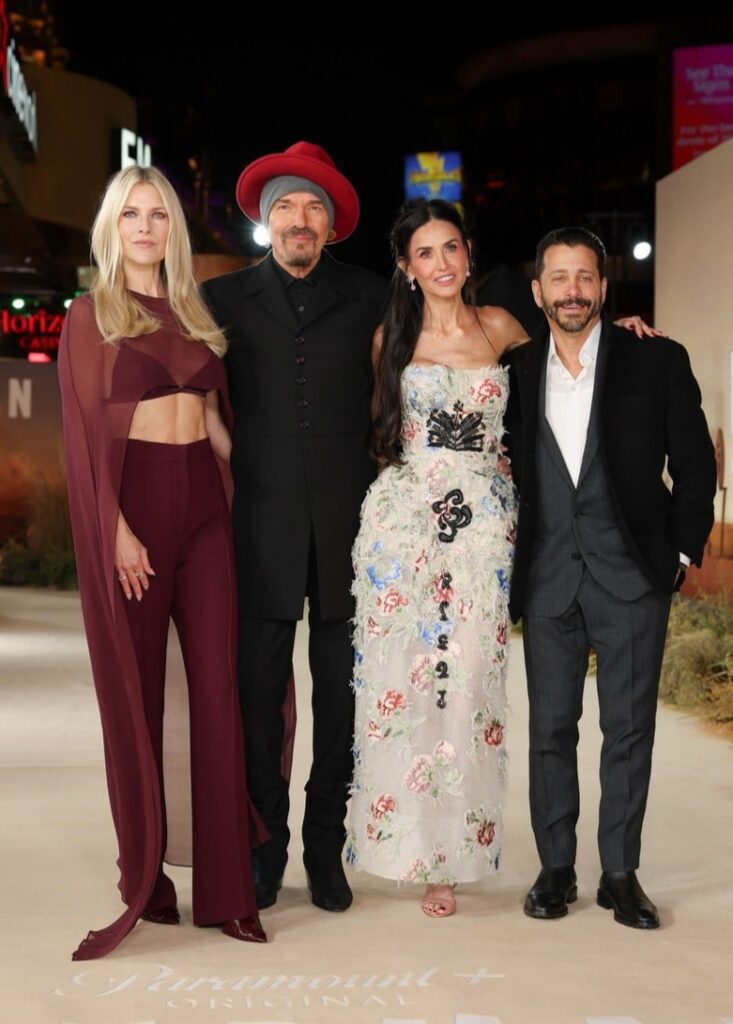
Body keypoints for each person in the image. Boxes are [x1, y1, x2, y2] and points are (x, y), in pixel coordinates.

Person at [58, 165, 267, 960]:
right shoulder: (92, 315)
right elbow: (85, 439)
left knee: (217, 694)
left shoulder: (194, 310)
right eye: (132, 215)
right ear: (112, 227)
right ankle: (146, 881)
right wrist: (114, 530)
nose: (146, 227)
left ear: (173, 229)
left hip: (204, 509)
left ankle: (229, 894)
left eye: (159, 215)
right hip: (134, 511)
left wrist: (265, 491)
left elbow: (212, 423)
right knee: (137, 697)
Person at [503, 226, 716, 929]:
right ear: (537, 291)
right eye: (558, 278)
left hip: (631, 577)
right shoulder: (514, 369)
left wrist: (679, 555)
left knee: (628, 730)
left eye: (584, 277)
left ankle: (620, 873)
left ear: (602, 286)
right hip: (547, 578)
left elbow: (696, 466)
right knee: (549, 729)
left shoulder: (654, 359)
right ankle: (555, 868)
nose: (572, 290)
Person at [201, 142, 386, 913]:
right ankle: (263, 848)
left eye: (313, 206)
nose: (298, 218)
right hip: (258, 524)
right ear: (265, 218)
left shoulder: (374, 296)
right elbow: (185, 385)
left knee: (341, 703)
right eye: (285, 205)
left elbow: (454, 337)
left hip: (351, 528)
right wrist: (235, 458)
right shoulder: (220, 299)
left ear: (331, 223)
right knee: (255, 700)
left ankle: (323, 849)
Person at [347, 198, 529, 916]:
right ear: (406, 267)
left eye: (450, 247)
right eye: (425, 252)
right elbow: (378, 432)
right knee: (407, 684)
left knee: (469, 686)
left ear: (467, 251)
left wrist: (629, 332)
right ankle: (416, 855)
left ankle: (456, 851)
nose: (442, 263)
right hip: (403, 529)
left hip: (483, 530)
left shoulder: (503, 327)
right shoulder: (389, 337)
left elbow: (572, 373)